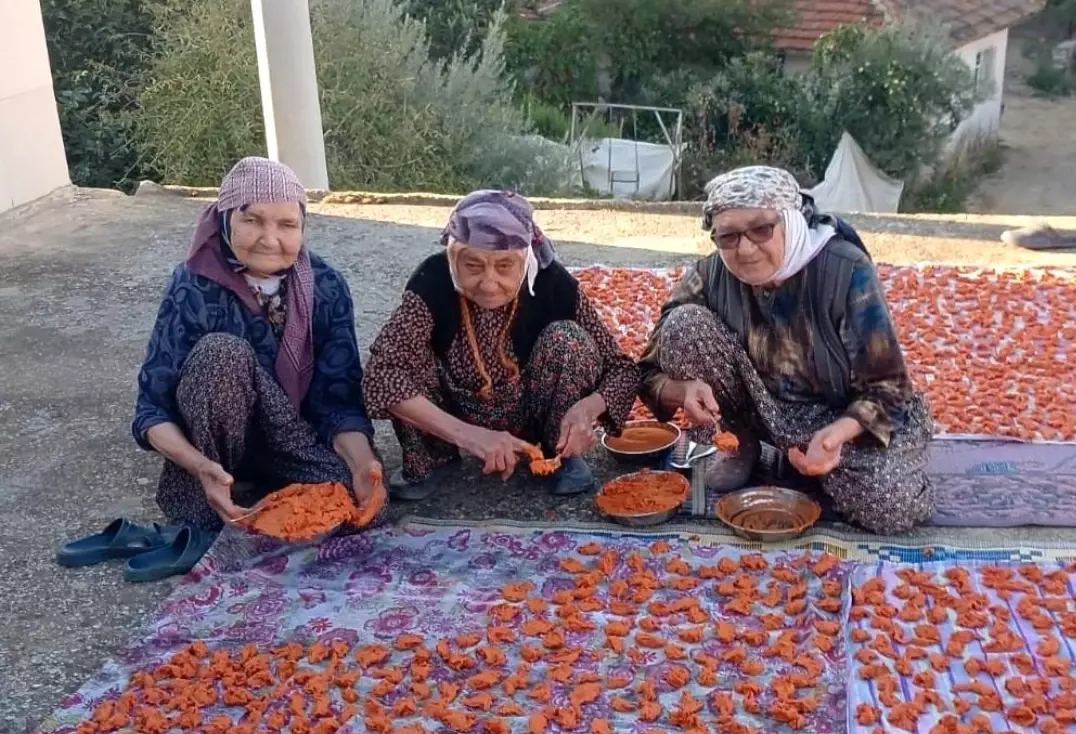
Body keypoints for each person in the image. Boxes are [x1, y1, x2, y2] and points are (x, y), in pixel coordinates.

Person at [637, 166, 934, 534]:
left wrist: (837, 436)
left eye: (762, 229)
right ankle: (739, 444)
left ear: (792, 221)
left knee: (890, 505)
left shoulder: (845, 271)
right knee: (684, 325)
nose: (745, 249)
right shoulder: (711, 274)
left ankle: (814, 465)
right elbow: (646, 370)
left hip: (837, 417)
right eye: (728, 236)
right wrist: (683, 391)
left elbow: (889, 387)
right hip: (763, 411)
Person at [133, 157, 382, 534]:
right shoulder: (193, 285)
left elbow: (338, 400)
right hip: (211, 449)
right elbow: (151, 410)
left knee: (354, 506)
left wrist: (363, 465)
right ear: (225, 219)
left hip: (292, 436)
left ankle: (272, 482)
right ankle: (215, 485)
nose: (270, 239)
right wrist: (199, 465)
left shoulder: (326, 286)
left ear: (302, 228)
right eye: (252, 220)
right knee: (222, 354)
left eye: (287, 225)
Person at [362, 190, 639, 499]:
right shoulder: (433, 281)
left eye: (505, 266)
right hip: (452, 409)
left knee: (568, 341)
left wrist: (586, 410)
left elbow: (623, 370)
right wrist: (469, 436)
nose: (489, 283)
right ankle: (432, 457)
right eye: (473, 266)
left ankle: (558, 454)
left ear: (525, 261)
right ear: (454, 259)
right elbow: (380, 376)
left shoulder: (552, 284)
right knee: (404, 353)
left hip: (533, 410)